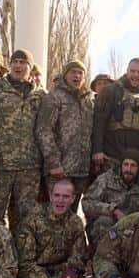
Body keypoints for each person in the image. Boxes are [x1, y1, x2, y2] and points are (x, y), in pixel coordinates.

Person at [0, 48, 46, 234]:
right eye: (15, 62)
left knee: (26, 219)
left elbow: (46, 130)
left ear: (30, 67)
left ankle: (21, 252)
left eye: (23, 62)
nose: (18, 66)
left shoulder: (40, 94)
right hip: (1, 166)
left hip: (30, 168)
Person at [13, 179, 89, 278]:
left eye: (66, 197)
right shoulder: (32, 220)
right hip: (33, 276)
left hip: (60, 273)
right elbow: (24, 264)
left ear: (73, 199)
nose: (60, 200)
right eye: (57, 195)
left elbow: (77, 258)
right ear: (50, 196)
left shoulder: (75, 223)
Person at [37, 60, 95, 207]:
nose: (77, 76)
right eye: (73, 72)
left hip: (81, 171)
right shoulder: (54, 97)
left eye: (80, 73)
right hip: (60, 170)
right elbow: (44, 130)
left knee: (71, 213)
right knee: (55, 210)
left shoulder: (88, 101)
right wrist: (53, 163)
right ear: (65, 75)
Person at [91, 58, 139, 172]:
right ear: (127, 71)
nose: (136, 75)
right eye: (132, 71)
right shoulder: (111, 91)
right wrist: (97, 150)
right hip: (112, 153)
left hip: (138, 157)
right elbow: (99, 122)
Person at [83, 150, 139, 247]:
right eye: (126, 164)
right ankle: (102, 254)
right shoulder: (106, 179)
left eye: (133, 165)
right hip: (107, 227)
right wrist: (113, 210)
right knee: (104, 222)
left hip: (130, 227)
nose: (128, 169)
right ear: (121, 165)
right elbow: (86, 203)